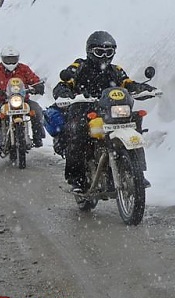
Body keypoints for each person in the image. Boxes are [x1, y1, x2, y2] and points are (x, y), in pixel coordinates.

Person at [52, 30, 156, 193]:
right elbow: (65, 83)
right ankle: (77, 180)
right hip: (84, 109)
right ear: (90, 51)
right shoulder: (79, 66)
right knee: (78, 132)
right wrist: (65, 92)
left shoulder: (115, 70)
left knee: (135, 122)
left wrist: (142, 88)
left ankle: (137, 173)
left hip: (110, 110)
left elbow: (127, 83)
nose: (104, 56)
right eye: (99, 52)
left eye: (109, 52)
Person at [0, 46, 45, 153]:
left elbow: (34, 79)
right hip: (2, 100)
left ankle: (37, 136)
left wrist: (38, 86)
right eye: (8, 59)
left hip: (22, 100)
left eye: (13, 59)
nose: (11, 62)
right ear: (2, 58)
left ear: (17, 58)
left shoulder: (24, 69)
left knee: (37, 110)